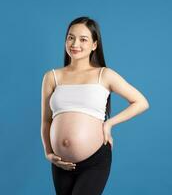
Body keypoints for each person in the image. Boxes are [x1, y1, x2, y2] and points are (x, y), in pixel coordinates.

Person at [41, 16, 150, 195]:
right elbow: (46, 121)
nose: (75, 43)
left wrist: (109, 124)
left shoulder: (104, 75)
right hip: (61, 164)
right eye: (70, 37)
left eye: (83, 39)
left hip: (95, 161)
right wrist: (48, 153)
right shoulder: (51, 77)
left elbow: (141, 102)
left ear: (94, 44)